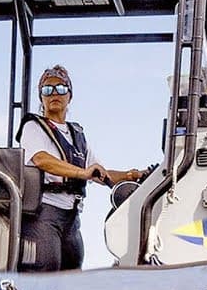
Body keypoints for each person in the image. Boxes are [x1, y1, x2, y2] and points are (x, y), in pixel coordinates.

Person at [18, 66, 141, 272]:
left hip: (71, 218)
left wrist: (131, 175)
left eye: (60, 88)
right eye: (47, 90)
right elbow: (41, 159)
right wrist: (82, 173)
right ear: (41, 98)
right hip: (44, 214)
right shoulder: (33, 127)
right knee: (45, 273)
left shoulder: (77, 135)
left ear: (70, 95)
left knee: (73, 273)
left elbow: (100, 173)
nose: (54, 94)